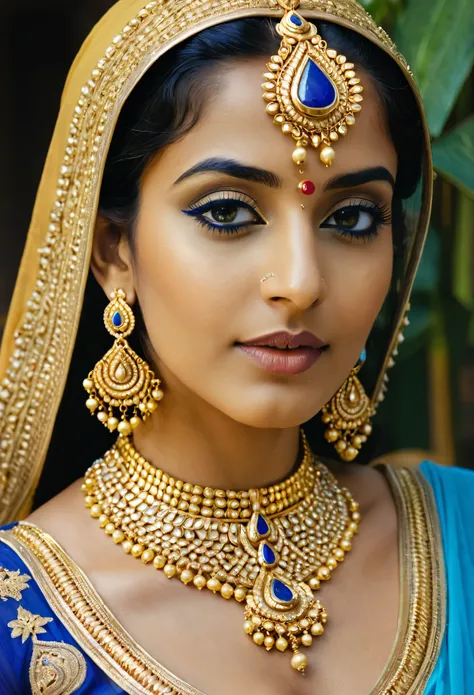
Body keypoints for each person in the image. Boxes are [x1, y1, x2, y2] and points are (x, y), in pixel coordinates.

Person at [0, 0, 472, 692]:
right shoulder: (21, 620)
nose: (301, 282)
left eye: (352, 218)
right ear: (112, 252)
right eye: (227, 212)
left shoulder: (460, 537)